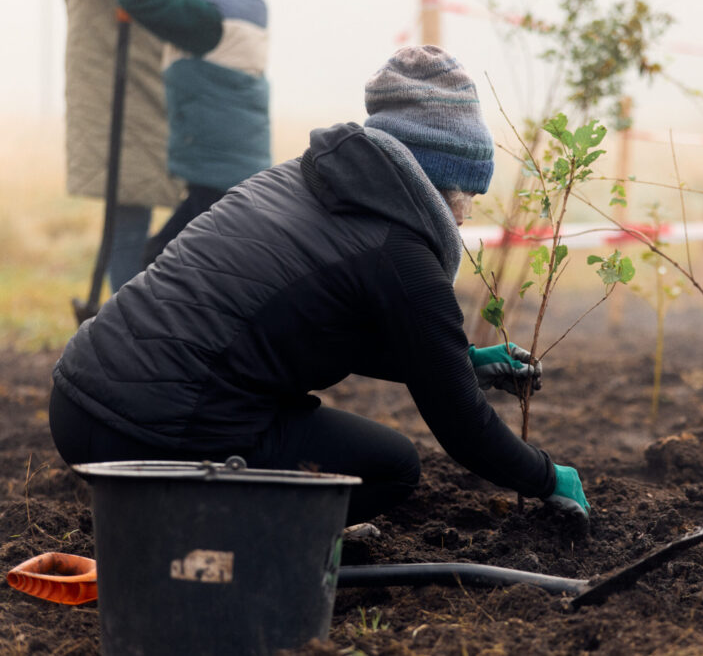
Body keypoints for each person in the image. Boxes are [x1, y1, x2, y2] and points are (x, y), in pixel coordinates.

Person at [49, 45, 592, 524]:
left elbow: (315, 321)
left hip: (77, 405)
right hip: (149, 439)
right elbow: (462, 426)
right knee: (390, 467)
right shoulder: (401, 252)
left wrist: (461, 357)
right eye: (470, 192)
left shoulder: (303, 180)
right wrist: (547, 477)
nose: (469, 213)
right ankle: (235, 538)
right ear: (440, 177)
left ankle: (184, 519)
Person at [114, 0, 272, 268]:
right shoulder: (244, 4)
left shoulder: (206, 16)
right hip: (234, 171)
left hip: (217, 177)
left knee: (161, 261)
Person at [64, 0, 183, 291]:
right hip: (121, 67)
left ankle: (134, 319)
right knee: (131, 207)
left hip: (153, 66)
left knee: (205, 202)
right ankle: (131, 325)